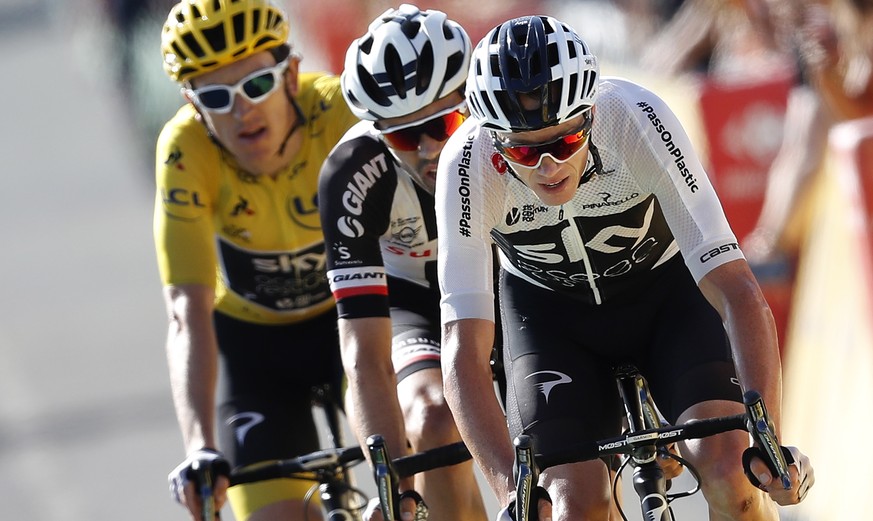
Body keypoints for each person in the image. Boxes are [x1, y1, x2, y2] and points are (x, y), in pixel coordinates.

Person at [434, 15, 815, 521]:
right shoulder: (467, 162)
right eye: (526, 151)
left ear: (590, 115)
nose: (548, 167)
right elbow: (463, 349)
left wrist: (770, 442)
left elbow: (736, 288)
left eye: (565, 142)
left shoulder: (634, 116)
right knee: (570, 506)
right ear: (496, 142)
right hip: (550, 318)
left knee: (731, 473)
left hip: (665, 296)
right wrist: (511, 492)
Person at [154, 1, 360, 520]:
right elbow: (186, 309)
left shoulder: (341, 111)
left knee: (423, 464)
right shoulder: (185, 151)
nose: (241, 110)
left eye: (257, 85)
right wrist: (200, 446)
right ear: (192, 105)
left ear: (291, 74)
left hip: (357, 322)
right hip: (256, 353)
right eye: (216, 96)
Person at [317, 5, 488, 521]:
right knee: (434, 418)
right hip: (416, 299)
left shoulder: (510, 130)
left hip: (511, 282)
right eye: (405, 136)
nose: (432, 148)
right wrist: (396, 487)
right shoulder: (352, 174)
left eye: (446, 121)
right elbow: (363, 354)